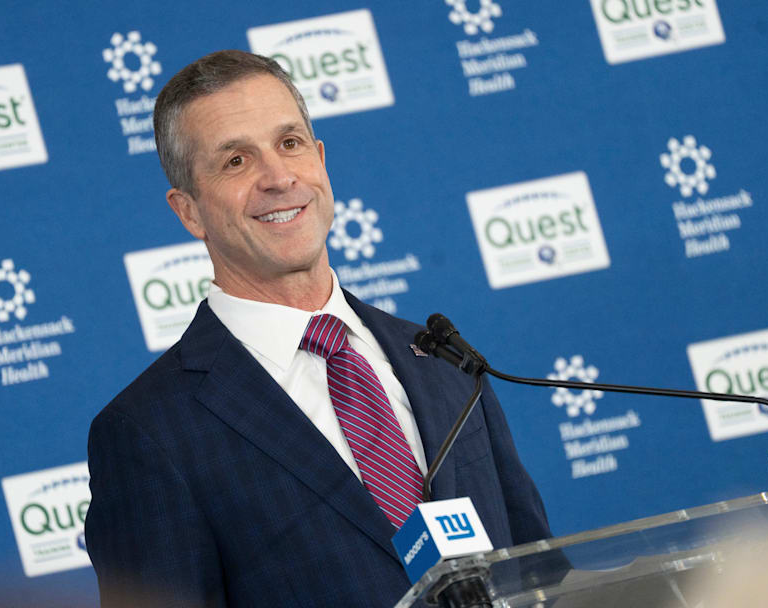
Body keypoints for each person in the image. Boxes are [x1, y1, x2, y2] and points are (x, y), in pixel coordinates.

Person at [85, 49, 562, 607]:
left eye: (289, 144)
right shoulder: (148, 432)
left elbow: (540, 574)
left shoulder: (445, 363)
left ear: (320, 159)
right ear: (189, 211)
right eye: (235, 161)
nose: (278, 177)